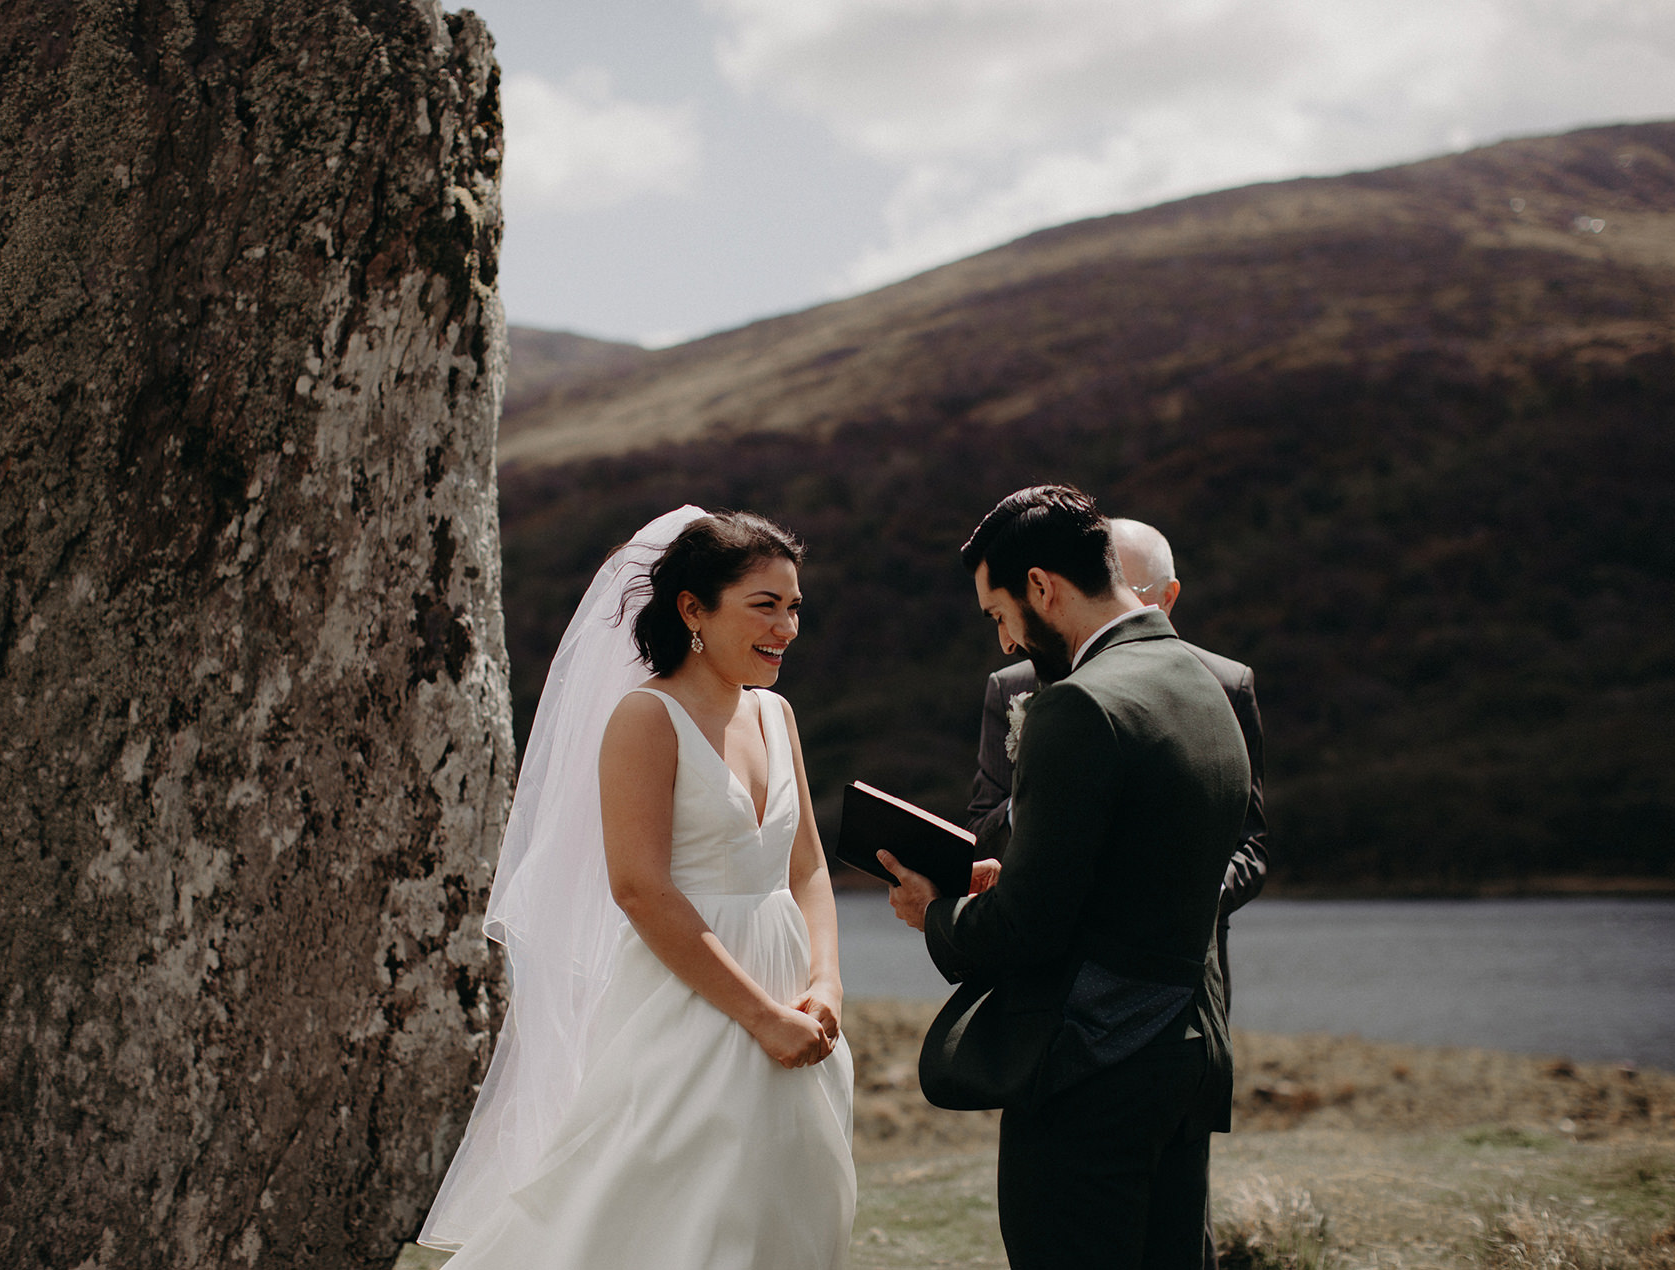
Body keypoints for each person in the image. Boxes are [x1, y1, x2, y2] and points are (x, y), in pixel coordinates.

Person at [420, 506, 855, 1270]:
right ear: (693, 609)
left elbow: (809, 868)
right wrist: (761, 1018)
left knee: (788, 1202)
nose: (786, 627)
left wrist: (825, 984)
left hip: (795, 993)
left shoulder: (777, 715)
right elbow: (640, 889)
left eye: (794, 607)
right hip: (691, 998)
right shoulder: (646, 717)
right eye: (764, 606)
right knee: (670, 1204)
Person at [881, 485, 1249, 1269]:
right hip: (1187, 1054)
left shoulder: (1078, 706)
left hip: (1094, 1067)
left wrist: (935, 911)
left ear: (1042, 586)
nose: (1008, 641)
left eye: (998, 613)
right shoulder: (1203, 683)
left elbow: (1026, 928)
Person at [965, 517, 1269, 1014]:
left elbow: (1249, 843)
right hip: (1050, 986)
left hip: (1186, 976)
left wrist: (1186, 898)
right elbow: (981, 826)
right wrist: (1037, 803)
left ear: (1167, 598)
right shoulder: (1014, 684)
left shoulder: (1225, 683)